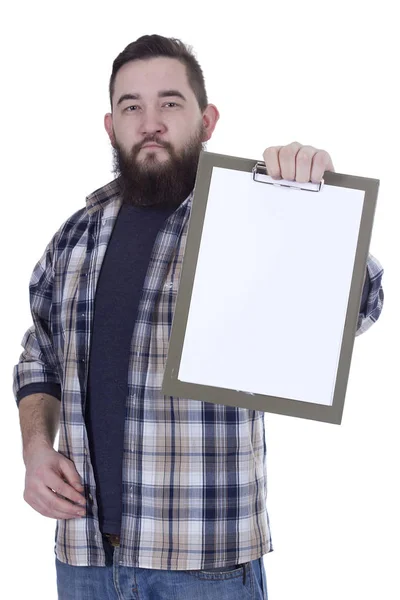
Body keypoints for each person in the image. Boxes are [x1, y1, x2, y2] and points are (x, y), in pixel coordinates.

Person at [13, 34, 384, 600]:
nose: (150, 121)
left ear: (207, 120)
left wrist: (316, 203)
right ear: (111, 126)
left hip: (205, 563)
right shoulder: (75, 236)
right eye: (131, 106)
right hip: (85, 559)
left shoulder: (258, 213)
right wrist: (37, 448)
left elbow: (360, 305)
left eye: (170, 102)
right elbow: (38, 353)